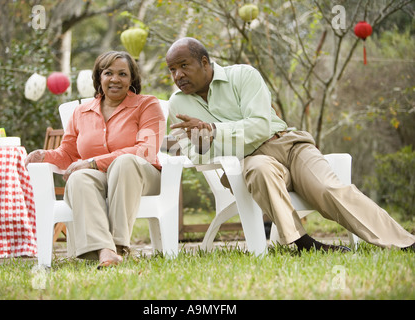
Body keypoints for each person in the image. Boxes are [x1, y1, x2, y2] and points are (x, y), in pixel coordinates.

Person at [166, 37, 414, 252]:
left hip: (289, 146)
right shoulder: (178, 103)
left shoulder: (242, 76)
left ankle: (403, 241)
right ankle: (303, 243)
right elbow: (193, 156)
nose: (178, 76)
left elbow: (261, 125)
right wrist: (204, 143)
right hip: (249, 160)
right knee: (260, 169)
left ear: (205, 62)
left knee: (329, 189)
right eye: (172, 70)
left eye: (183, 66)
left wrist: (215, 130)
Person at [26, 51, 165, 267]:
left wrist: (92, 163)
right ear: (99, 77)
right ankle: (105, 250)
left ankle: (120, 245)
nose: (115, 79)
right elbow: (69, 154)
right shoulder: (81, 112)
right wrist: (44, 156)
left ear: (132, 79)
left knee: (125, 162)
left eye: (123, 74)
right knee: (78, 179)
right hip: (102, 179)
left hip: (142, 177)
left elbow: (146, 151)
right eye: (108, 73)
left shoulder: (147, 105)